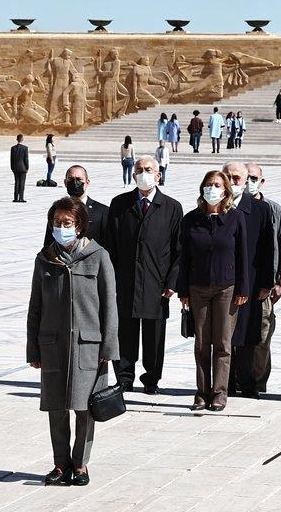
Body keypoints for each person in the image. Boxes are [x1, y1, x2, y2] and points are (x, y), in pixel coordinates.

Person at [27, 196, 119, 487]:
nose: (61, 228)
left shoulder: (98, 256)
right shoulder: (44, 259)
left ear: (79, 226)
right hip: (53, 344)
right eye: (57, 223)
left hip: (88, 345)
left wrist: (109, 347)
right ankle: (60, 464)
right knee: (56, 407)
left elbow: (110, 304)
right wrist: (33, 347)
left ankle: (80, 465)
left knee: (84, 408)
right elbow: (35, 306)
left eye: (67, 223)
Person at [102, 155, 183, 396]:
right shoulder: (119, 204)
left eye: (148, 169)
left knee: (154, 336)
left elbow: (179, 250)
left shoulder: (171, 207)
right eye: (139, 169)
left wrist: (172, 282)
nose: (143, 173)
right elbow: (110, 246)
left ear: (158, 175)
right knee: (124, 332)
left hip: (156, 283)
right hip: (125, 282)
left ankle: (151, 379)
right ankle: (124, 378)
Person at [178, 170, 249, 412]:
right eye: (208, 184)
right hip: (198, 287)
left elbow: (242, 255)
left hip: (226, 287)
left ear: (226, 190)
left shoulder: (235, 218)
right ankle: (201, 392)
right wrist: (182, 289)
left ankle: (219, 392)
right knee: (201, 342)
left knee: (222, 342)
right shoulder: (191, 219)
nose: (213, 189)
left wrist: (243, 286)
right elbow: (184, 256)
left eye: (217, 185)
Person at [222, 162, 275, 399]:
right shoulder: (215, 206)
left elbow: (267, 248)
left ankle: (247, 383)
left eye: (237, 178)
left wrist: (266, 282)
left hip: (250, 283)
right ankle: (225, 384)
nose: (232, 181)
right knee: (223, 336)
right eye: (228, 177)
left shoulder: (260, 209)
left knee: (247, 335)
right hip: (221, 281)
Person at [246, 163, 281, 396]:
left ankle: (258, 382)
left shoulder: (273, 209)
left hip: (265, 288)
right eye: (246, 177)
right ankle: (235, 381)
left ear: (262, 181)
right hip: (237, 286)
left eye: (254, 177)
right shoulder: (230, 207)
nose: (250, 181)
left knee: (262, 337)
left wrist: (280, 280)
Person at [42, 165, 108, 245]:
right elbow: (48, 243)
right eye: (71, 179)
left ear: (87, 182)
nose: (75, 183)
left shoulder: (102, 211)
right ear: (65, 182)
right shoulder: (57, 209)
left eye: (79, 179)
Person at [11, 134, 29, 202]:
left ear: (17, 139)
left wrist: (12, 168)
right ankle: (21, 198)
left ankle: (15, 198)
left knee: (16, 183)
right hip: (23, 168)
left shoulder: (13, 148)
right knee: (22, 183)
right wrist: (27, 167)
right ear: (22, 139)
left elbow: (11, 159)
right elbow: (26, 159)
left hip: (15, 168)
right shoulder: (25, 148)